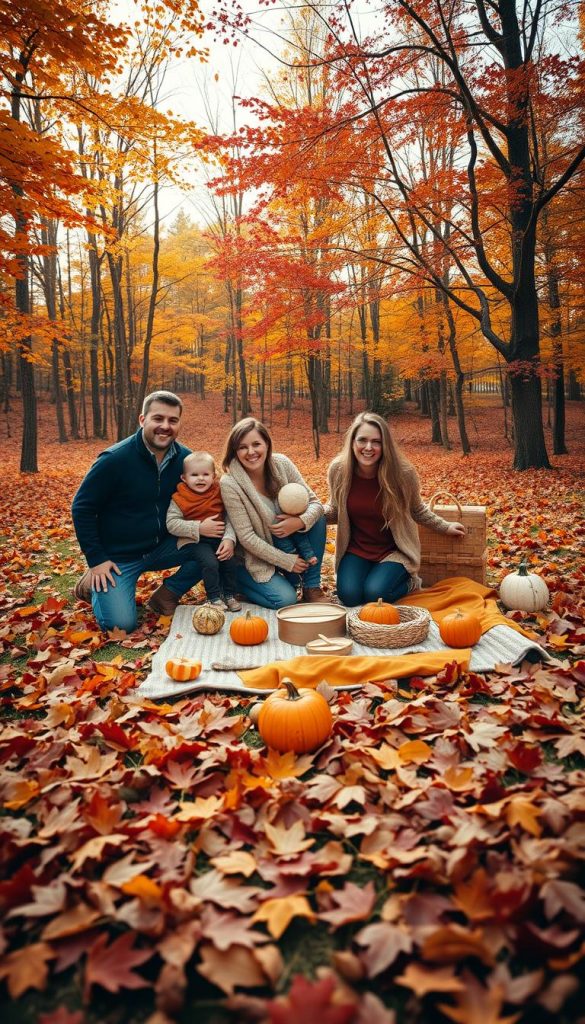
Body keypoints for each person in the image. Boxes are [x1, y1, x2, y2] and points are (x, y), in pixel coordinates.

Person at [71, 391, 202, 632]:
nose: (165, 426)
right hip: (118, 558)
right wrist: (97, 559)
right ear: (143, 420)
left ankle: (166, 595)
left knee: (212, 545)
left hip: (162, 548)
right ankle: (92, 582)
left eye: (172, 420)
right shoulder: (114, 460)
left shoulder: (185, 459)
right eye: (158, 418)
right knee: (121, 625)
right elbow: (82, 508)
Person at [326, 411, 465, 606]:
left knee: (376, 595)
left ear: (385, 445)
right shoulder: (339, 470)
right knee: (349, 596)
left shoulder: (403, 474)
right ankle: (372, 577)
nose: (368, 447)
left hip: (394, 551)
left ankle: (410, 582)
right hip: (356, 550)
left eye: (376, 442)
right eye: (362, 440)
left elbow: (417, 510)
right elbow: (334, 510)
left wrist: (445, 526)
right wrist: (306, 516)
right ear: (352, 442)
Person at [219, 417, 328, 608]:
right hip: (255, 557)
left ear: (267, 445)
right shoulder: (230, 483)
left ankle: (311, 587)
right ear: (235, 451)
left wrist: (299, 522)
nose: (251, 452)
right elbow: (246, 537)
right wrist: (286, 561)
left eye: (256, 444)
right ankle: (238, 582)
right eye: (243, 447)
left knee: (316, 519)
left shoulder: (282, 464)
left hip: (289, 542)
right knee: (285, 599)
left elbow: (316, 504)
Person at [166, 451, 241, 611]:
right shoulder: (180, 498)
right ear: (184, 478)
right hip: (195, 541)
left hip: (219, 537)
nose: (200, 478)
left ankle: (229, 595)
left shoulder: (219, 492)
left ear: (214, 476)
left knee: (229, 561)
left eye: (205, 474)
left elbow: (230, 516)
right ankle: (214, 597)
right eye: (194, 475)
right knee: (210, 562)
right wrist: (198, 528)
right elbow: (171, 523)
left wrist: (229, 539)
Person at [273, 484, 317, 567]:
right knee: (284, 544)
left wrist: (299, 521)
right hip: (277, 531)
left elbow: (317, 504)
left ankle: (309, 556)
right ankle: (294, 557)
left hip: (294, 518)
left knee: (301, 537)